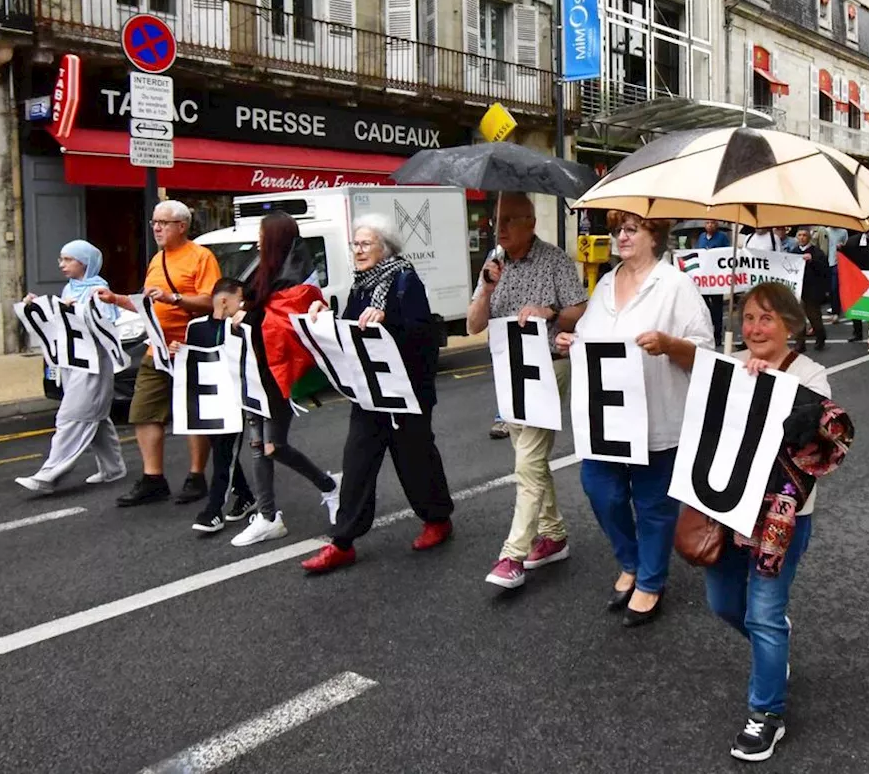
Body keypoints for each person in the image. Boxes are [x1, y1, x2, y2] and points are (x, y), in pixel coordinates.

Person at [707, 283, 853, 763]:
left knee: (763, 613)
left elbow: (813, 438)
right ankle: (774, 646)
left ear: (790, 325)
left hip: (781, 519)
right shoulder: (731, 365)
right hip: (729, 511)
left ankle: (766, 714)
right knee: (725, 603)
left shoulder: (812, 373)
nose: (753, 328)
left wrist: (768, 382)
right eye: (747, 318)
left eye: (766, 319)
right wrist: (735, 379)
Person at [555, 211, 713, 626]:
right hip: (608, 417)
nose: (620, 237)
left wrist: (669, 344)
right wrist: (572, 341)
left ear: (654, 236)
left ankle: (650, 581)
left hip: (657, 414)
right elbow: (591, 337)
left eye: (631, 229)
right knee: (599, 489)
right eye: (617, 230)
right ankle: (630, 561)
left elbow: (705, 354)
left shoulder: (677, 286)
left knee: (653, 504)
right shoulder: (606, 283)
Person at [300, 214, 455, 573]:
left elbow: (420, 334)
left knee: (415, 460)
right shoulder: (361, 285)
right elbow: (353, 329)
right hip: (370, 391)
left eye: (365, 244)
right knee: (356, 462)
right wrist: (327, 316)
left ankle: (438, 520)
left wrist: (388, 320)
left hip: (407, 392)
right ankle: (343, 542)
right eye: (355, 244)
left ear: (385, 248)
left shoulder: (405, 280)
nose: (358, 250)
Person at [467, 193, 588, 590]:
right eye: (497, 221)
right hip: (508, 370)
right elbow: (472, 326)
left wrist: (549, 311)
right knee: (530, 459)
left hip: (549, 365)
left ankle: (512, 554)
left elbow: (579, 308)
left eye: (508, 221)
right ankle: (553, 535)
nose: (499, 229)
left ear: (530, 223)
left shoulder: (554, 260)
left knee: (528, 459)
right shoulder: (493, 263)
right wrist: (486, 290)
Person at [96, 200, 220, 507]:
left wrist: (174, 297)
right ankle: (153, 479)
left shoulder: (201, 257)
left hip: (190, 348)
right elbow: (147, 304)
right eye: (154, 222)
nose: (156, 228)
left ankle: (196, 476)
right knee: (144, 412)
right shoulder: (157, 260)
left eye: (163, 222)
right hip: (157, 348)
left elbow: (212, 301)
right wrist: (115, 298)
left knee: (191, 415)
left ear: (181, 226)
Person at [229, 212, 339, 546]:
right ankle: (267, 515)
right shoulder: (264, 272)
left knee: (273, 445)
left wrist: (246, 316)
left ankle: (330, 486)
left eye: (263, 234)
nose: (258, 239)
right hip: (255, 369)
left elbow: (287, 326)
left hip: (276, 374)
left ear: (274, 238)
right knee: (257, 446)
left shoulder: (297, 280)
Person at [16, 241, 127, 493]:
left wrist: (77, 309)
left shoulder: (99, 289)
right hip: (74, 362)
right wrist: (37, 305)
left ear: (84, 262)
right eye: (61, 259)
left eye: (68, 259)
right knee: (96, 417)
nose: (61, 264)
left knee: (71, 416)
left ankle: (49, 474)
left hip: (94, 365)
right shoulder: (70, 287)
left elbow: (106, 324)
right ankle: (113, 468)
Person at [181, 278, 257, 532]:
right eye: (240, 298)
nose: (242, 304)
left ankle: (213, 510)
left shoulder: (242, 326)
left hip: (233, 401)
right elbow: (190, 360)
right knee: (222, 451)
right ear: (225, 300)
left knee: (224, 454)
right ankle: (245, 495)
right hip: (207, 401)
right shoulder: (196, 327)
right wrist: (177, 350)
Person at [792, 228, 829, 352]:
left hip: (812, 289)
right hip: (798, 289)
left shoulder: (816, 252)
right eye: (800, 235)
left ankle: (820, 337)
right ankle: (800, 343)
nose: (802, 238)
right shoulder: (794, 251)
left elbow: (824, 269)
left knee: (814, 316)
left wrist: (812, 260)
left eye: (804, 235)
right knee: (797, 316)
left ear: (809, 237)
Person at [697, 219, 732, 347]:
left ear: (716, 225)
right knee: (704, 306)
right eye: (707, 223)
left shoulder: (722, 237)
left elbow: (727, 254)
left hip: (716, 279)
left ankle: (717, 335)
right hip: (704, 279)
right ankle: (707, 332)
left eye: (712, 223)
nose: (709, 225)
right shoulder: (701, 237)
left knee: (717, 308)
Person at [826, 227, 848, 324]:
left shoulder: (843, 231)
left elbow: (847, 245)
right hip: (825, 262)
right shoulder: (824, 231)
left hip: (836, 262)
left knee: (835, 288)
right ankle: (833, 308)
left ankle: (835, 312)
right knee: (829, 289)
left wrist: (842, 246)